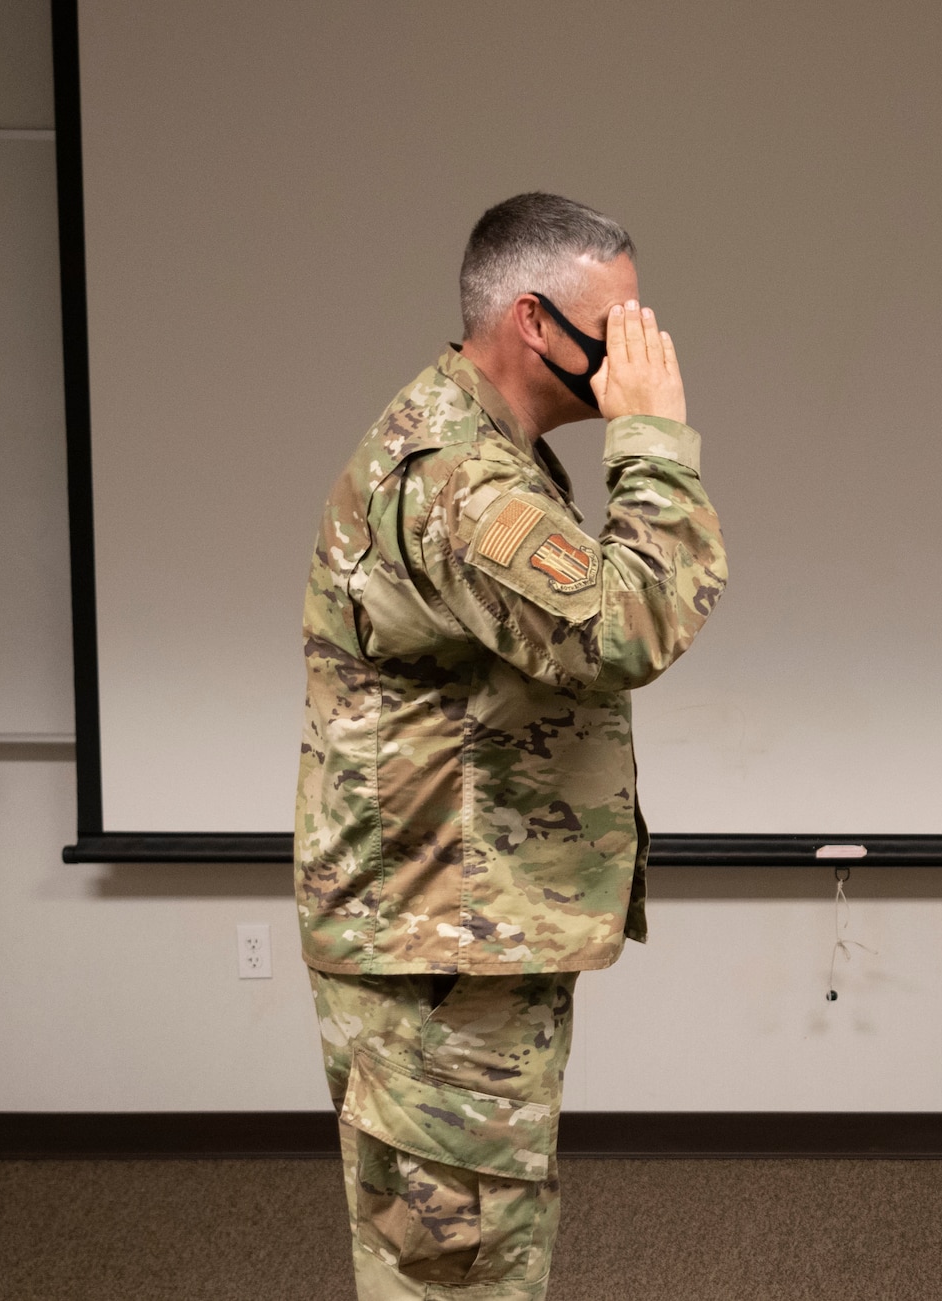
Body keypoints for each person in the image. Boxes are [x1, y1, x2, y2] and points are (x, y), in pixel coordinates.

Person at [295, 191, 728, 1299]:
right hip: (437, 954)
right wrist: (653, 440)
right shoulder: (456, 475)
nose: (638, 352)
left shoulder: (489, 446)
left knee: (477, 1247)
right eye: (618, 325)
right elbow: (622, 628)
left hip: (455, 937)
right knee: (456, 1271)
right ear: (534, 322)